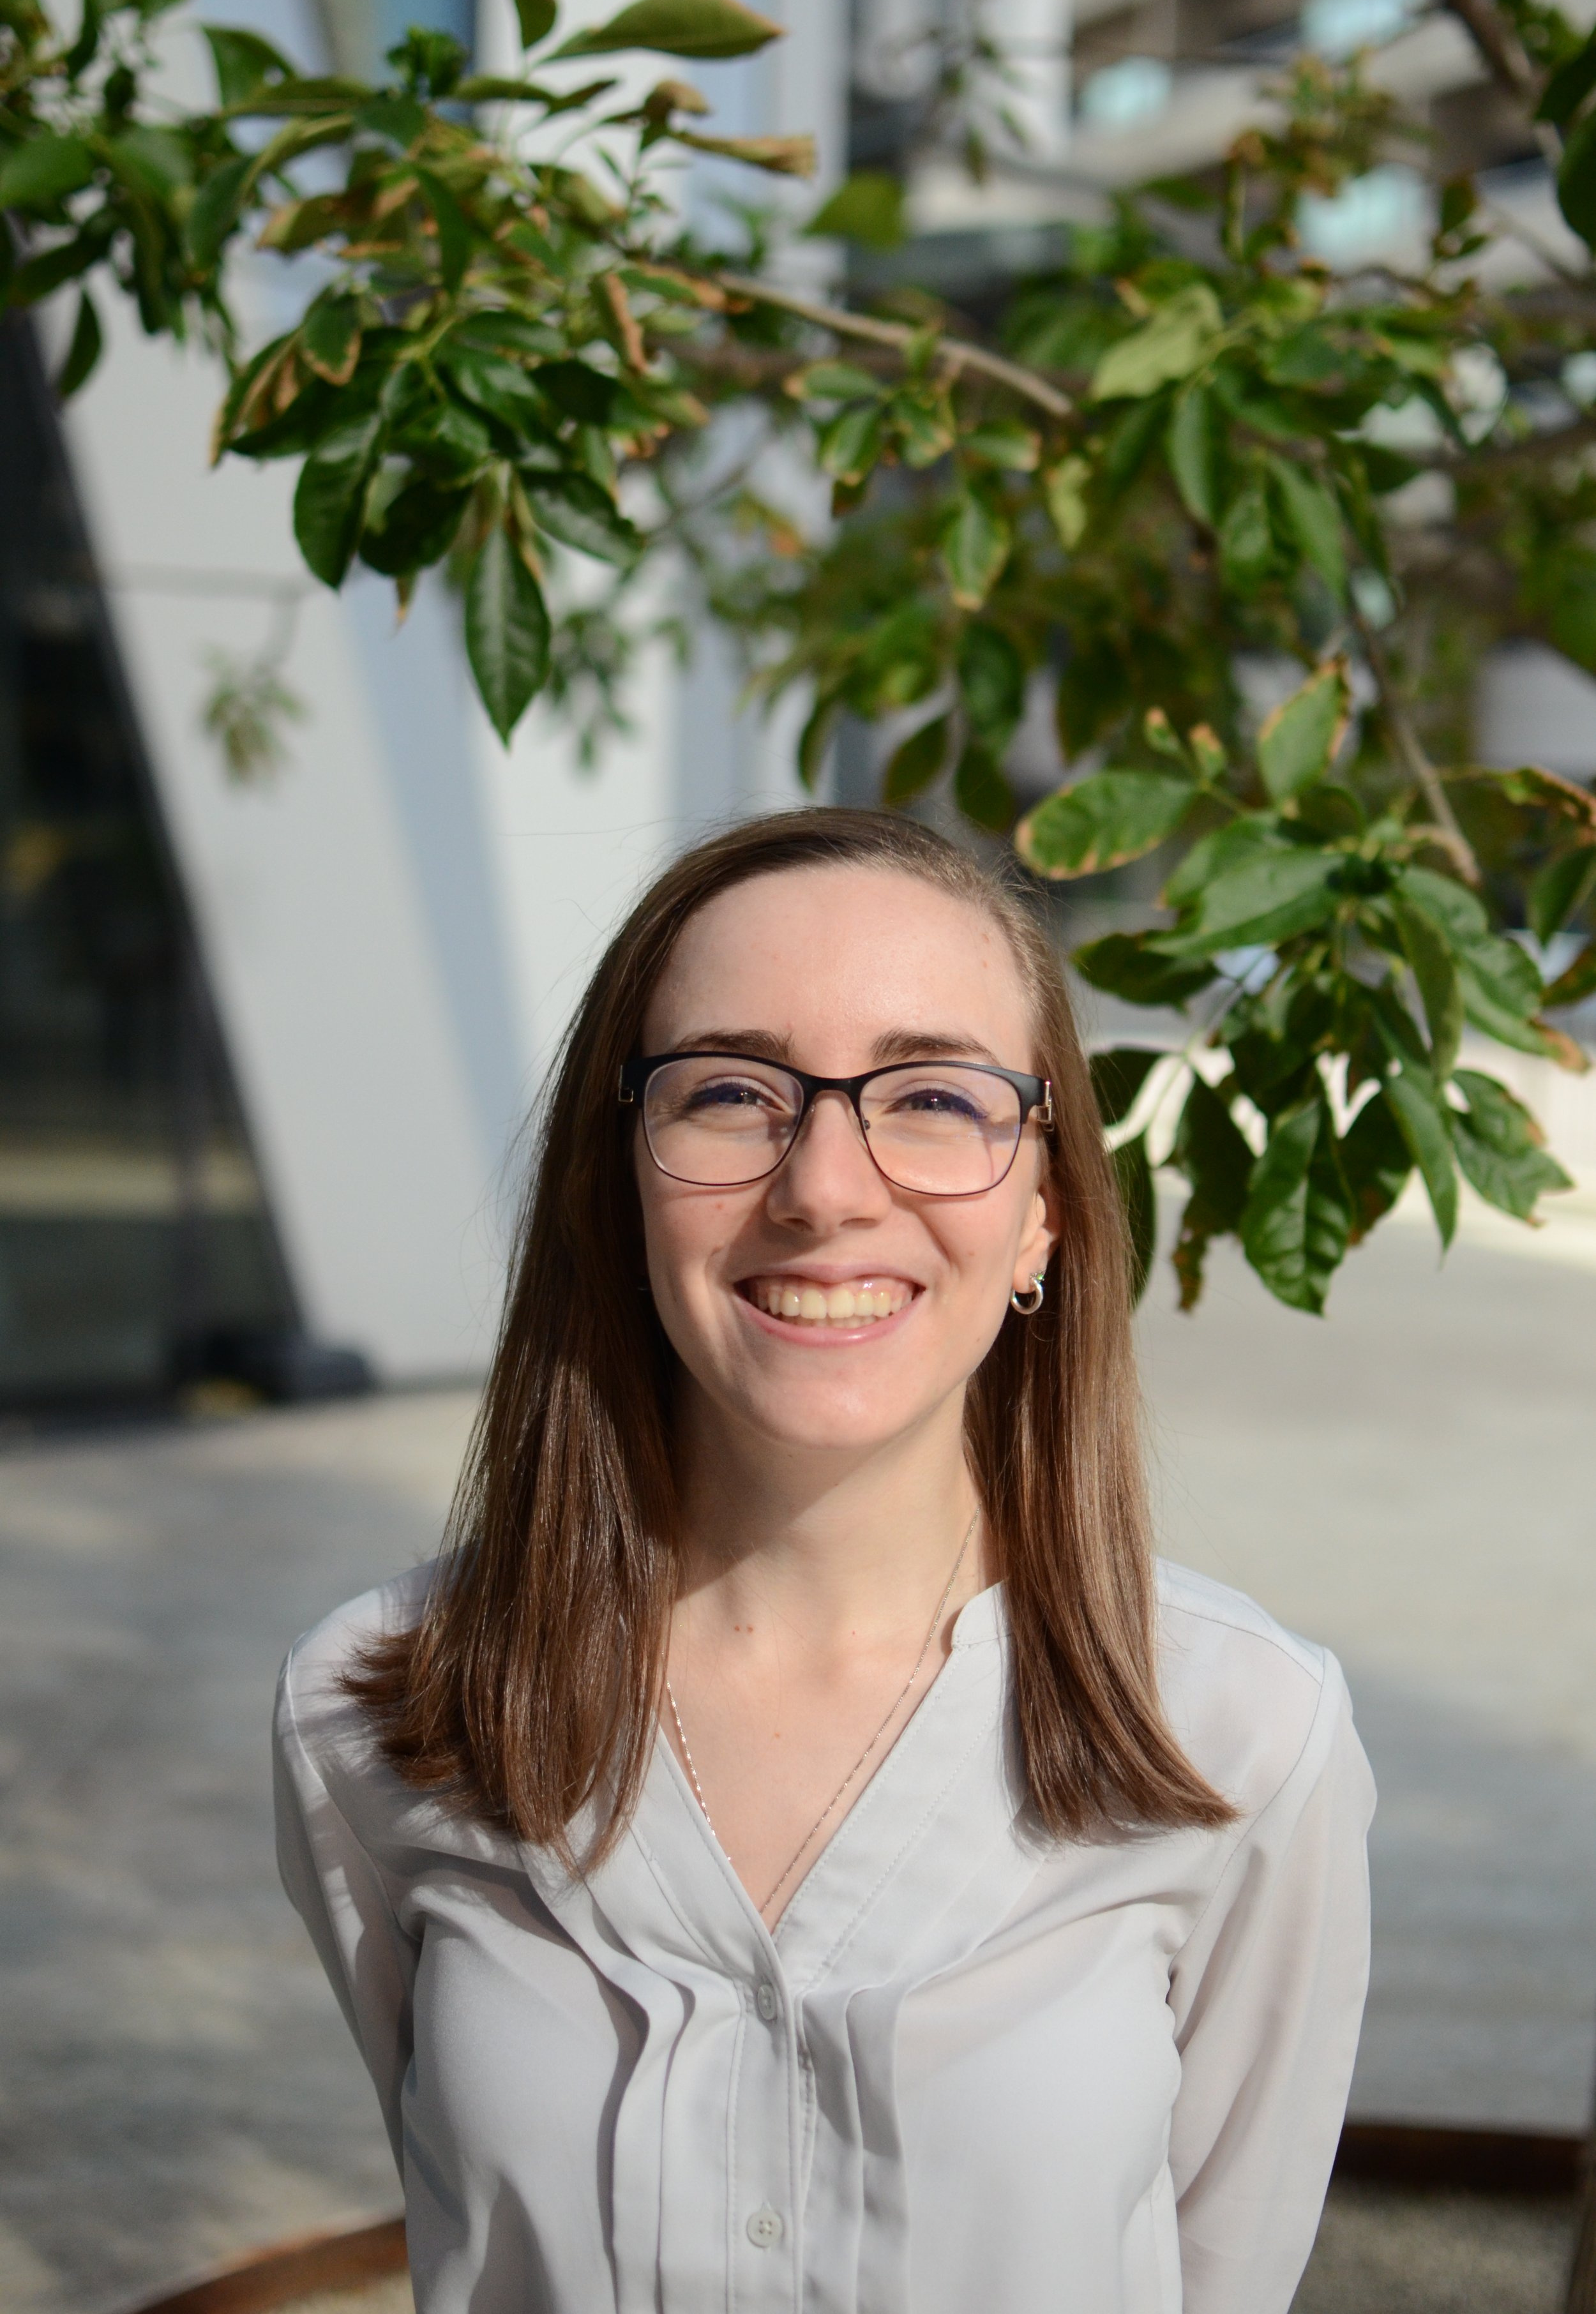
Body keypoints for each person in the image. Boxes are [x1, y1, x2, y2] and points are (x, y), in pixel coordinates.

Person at [275, 806, 1374, 2314]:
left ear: (1044, 1207)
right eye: (731, 1091)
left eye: (930, 1095)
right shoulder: (375, 1709)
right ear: (618, 1181)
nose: (823, 1188)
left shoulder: (1243, 1737)